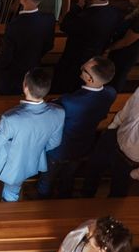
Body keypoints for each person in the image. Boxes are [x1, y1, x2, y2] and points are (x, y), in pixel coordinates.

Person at [0, 67, 64, 202]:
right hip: (25, 164)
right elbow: (54, 142)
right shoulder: (58, 112)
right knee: (12, 194)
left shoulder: (11, 118)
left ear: (25, 87)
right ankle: (6, 219)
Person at [83, 65, 139, 198]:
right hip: (112, 140)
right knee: (92, 173)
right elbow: (127, 109)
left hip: (129, 163)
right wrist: (112, 127)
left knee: (116, 196)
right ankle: (85, 199)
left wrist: (135, 174)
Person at [38, 57, 117, 199]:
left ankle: (43, 201)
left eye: (84, 69)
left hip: (60, 148)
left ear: (90, 79)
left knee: (47, 179)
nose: (81, 67)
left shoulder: (71, 102)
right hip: (84, 144)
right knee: (68, 176)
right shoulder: (110, 93)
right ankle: (64, 198)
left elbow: (51, 110)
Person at [54, 0, 122, 94]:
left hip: (74, 59)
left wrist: (78, 7)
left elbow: (65, 26)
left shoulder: (86, 18)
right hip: (96, 55)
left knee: (65, 85)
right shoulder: (114, 12)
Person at [0, 0, 54, 95]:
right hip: (34, 68)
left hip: (13, 73)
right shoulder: (49, 20)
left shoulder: (14, 25)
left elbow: (7, 55)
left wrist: (0, 68)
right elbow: (48, 45)